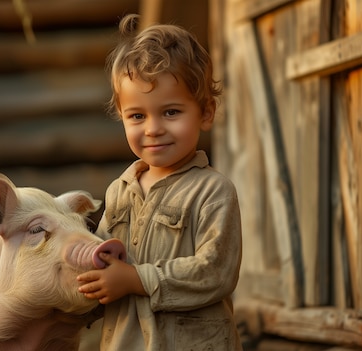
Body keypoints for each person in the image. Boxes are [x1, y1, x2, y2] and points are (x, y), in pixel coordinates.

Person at [76, 14, 243, 350]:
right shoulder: (119, 190)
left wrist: (137, 279)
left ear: (206, 113)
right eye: (137, 115)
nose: (152, 128)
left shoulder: (213, 192)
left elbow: (214, 272)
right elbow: (104, 263)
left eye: (170, 112)